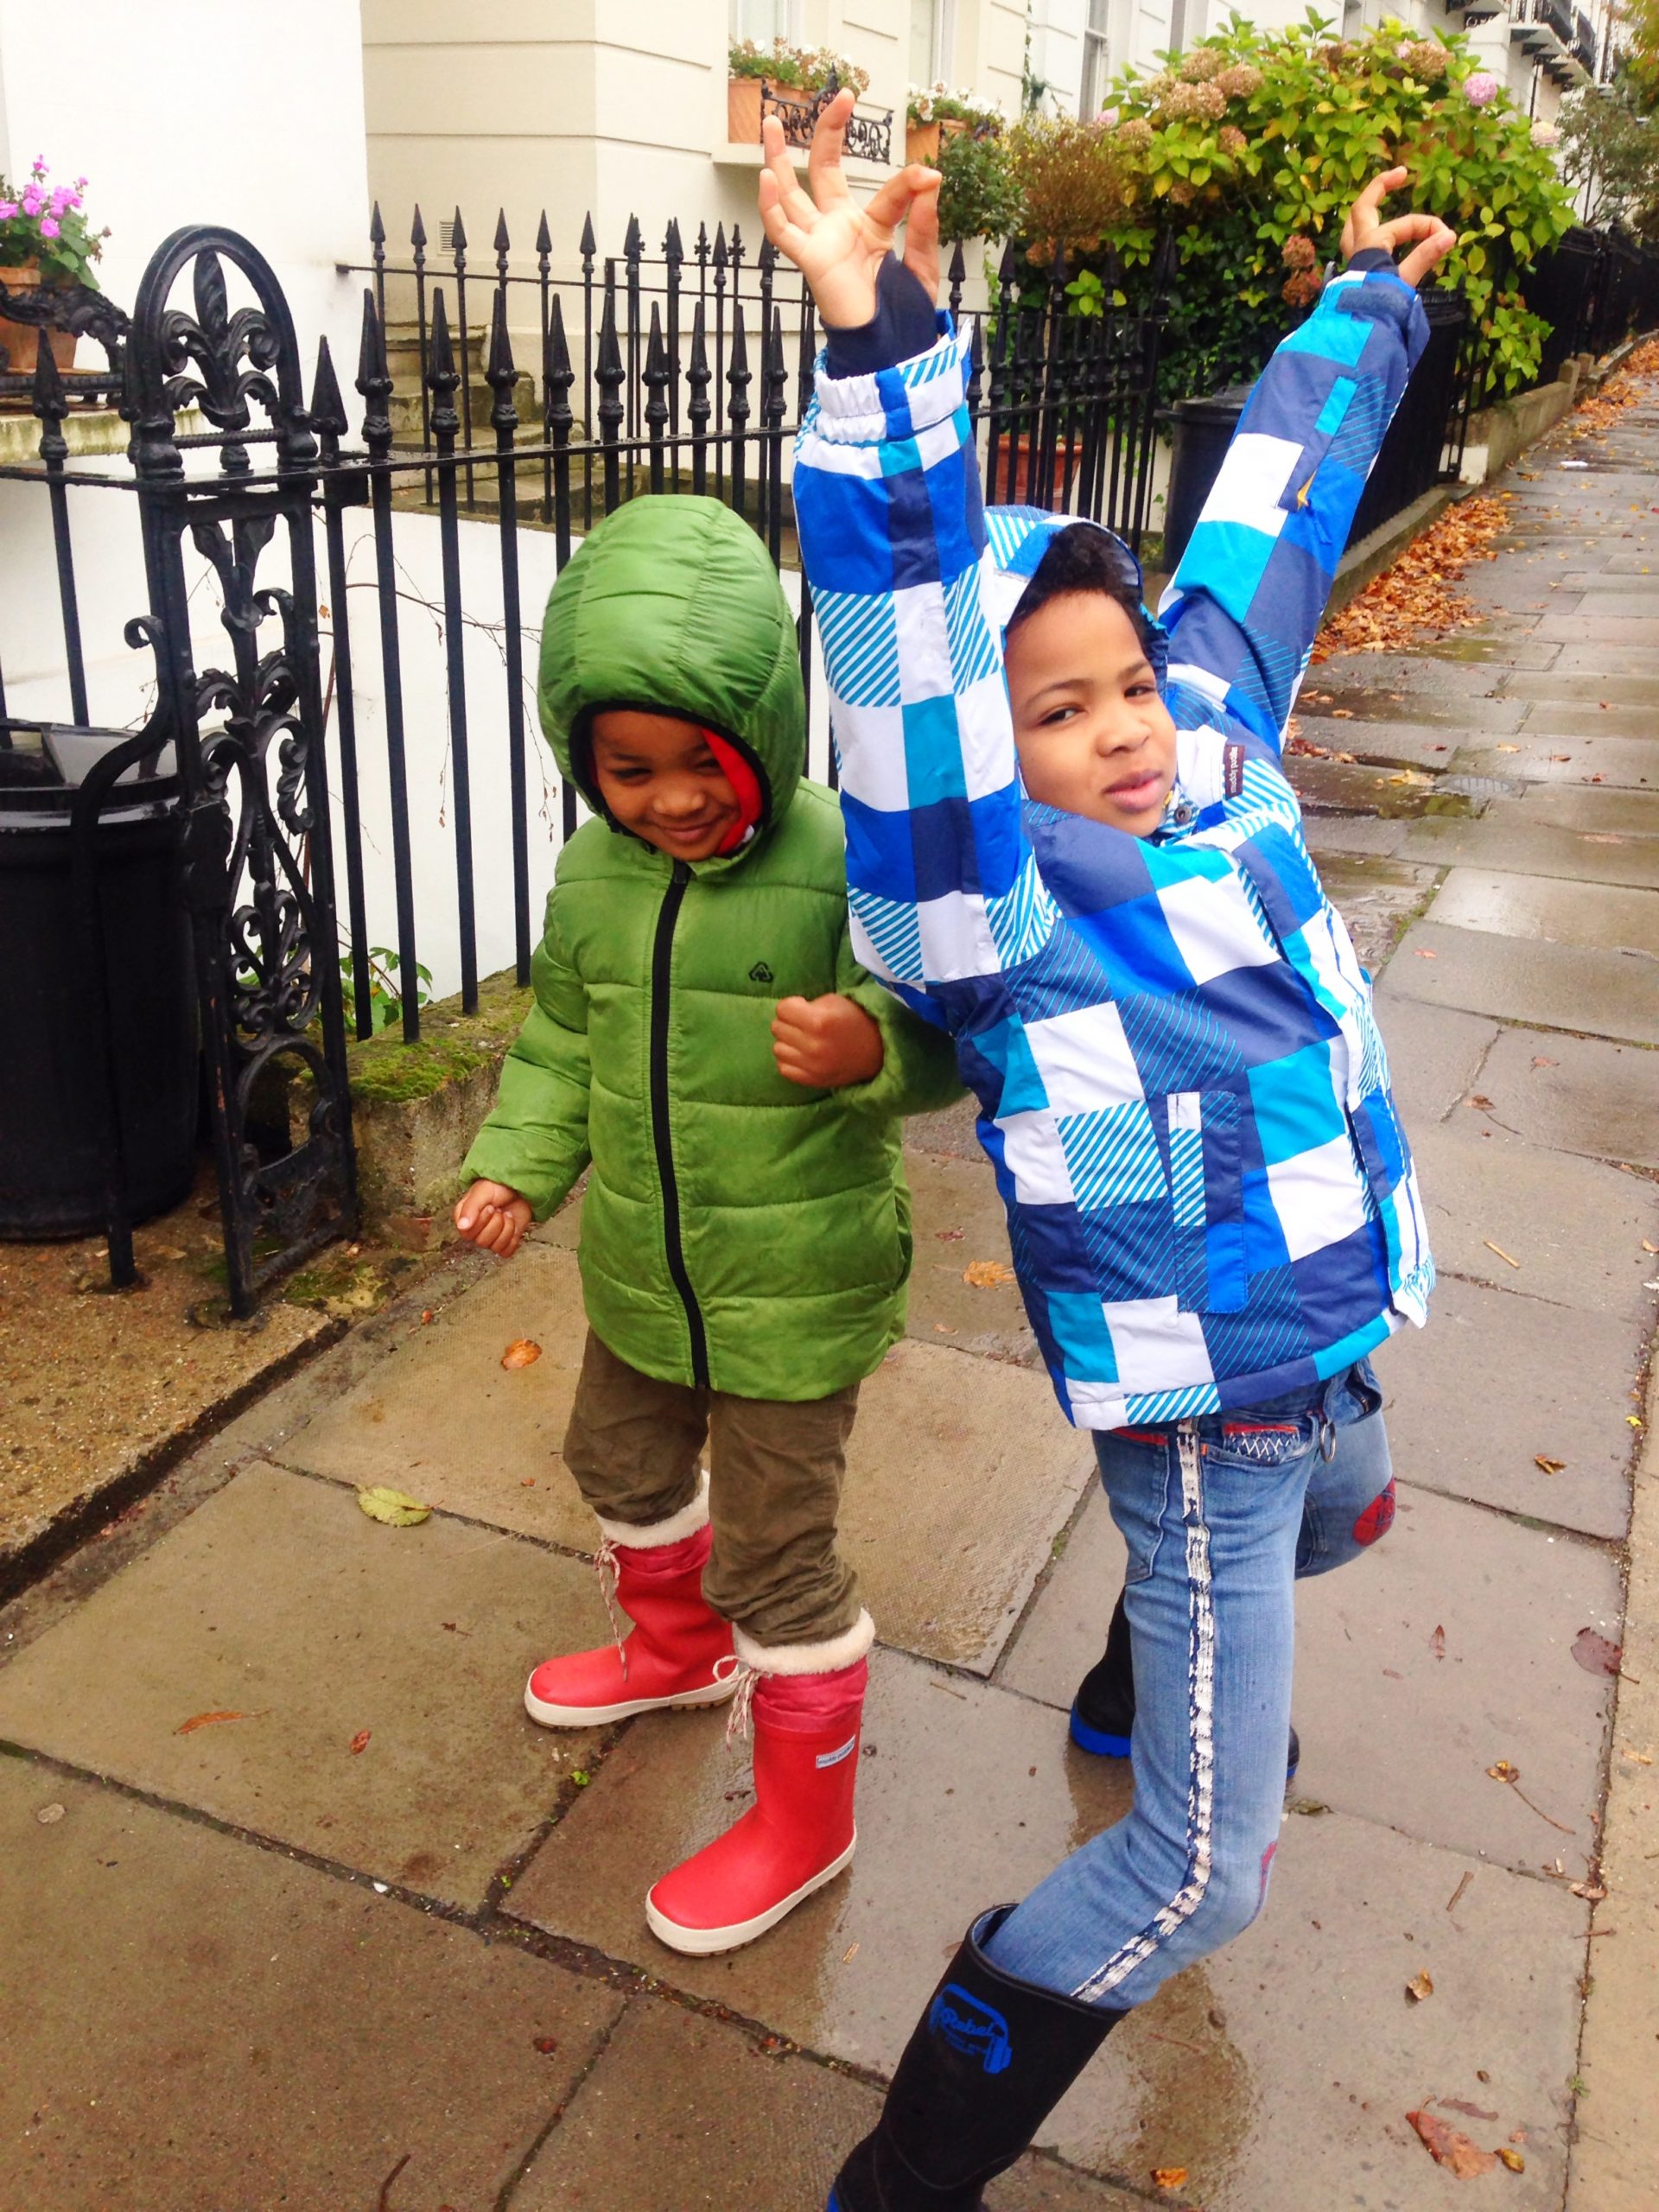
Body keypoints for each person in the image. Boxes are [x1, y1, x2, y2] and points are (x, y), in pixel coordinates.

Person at [763, 95, 1454, 2210]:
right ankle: (910, 2162)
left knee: (1362, 1505)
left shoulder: (1219, 750)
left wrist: (1354, 314)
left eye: (1125, 681)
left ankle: (1138, 1668)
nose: (1124, 725)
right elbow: (902, 670)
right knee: (1198, 1868)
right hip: (1207, 1416)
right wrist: (887, 355)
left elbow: (1265, 529)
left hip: (1337, 1322)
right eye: (1056, 710)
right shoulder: (995, 906)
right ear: (996, 750)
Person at [452, 491, 962, 1959]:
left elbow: (948, 1023)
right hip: (643, 1272)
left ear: (763, 727)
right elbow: (560, 1040)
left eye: (700, 760)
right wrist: (515, 1166)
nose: (669, 798)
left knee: (776, 1558)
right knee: (612, 1456)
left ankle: (807, 1821)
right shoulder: (595, 874)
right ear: (584, 762)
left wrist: (874, 1048)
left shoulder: (846, 857)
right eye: (628, 768)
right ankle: (677, 1658)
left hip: (794, 1290)